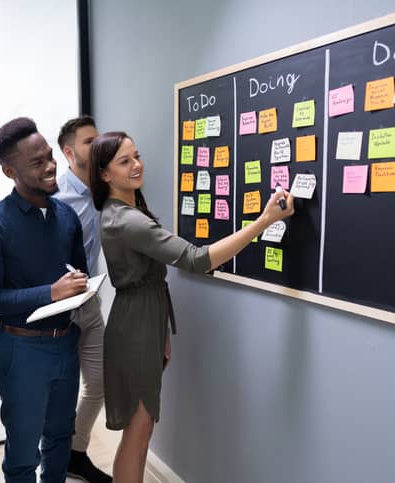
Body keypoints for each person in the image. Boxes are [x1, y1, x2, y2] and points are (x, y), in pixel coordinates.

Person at [89, 131, 295, 481]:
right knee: (138, 435)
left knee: (141, 431)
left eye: (136, 155)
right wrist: (263, 222)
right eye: (124, 161)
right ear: (104, 174)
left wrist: (162, 333)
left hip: (142, 321)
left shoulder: (123, 209)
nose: (137, 165)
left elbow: (150, 281)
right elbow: (196, 259)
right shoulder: (126, 219)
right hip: (136, 327)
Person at [0, 117, 88, 482]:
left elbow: (78, 274)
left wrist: (82, 286)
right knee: (23, 452)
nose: (51, 166)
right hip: (21, 351)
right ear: (10, 172)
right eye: (37, 163)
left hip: (65, 343)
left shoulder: (66, 216)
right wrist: (50, 292)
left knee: (59, 438)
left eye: (50, 156)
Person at [54, 116, 112, 482]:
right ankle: (54, 461)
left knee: (100, 382)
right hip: (59, 309)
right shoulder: (54, 197)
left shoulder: (105, 189)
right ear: (69, 151)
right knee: (58, 392)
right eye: (89, 141)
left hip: (90, 302)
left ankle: (76, 453)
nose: (97, 146)